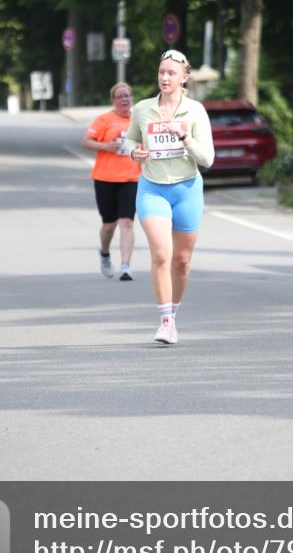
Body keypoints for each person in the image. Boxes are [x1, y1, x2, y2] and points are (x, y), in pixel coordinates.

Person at [124, 49, 214, 345]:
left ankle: (173, 314)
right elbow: (129, 141)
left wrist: (185, 137)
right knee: (161, 254)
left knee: (182, 261)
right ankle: (165, 323)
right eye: (161, 72)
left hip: (187, 189)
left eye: (171, 73)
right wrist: (133, 152)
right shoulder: (142, 108)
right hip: (152, 188)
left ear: (184, 77)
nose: (164, 78)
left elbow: (208, 158)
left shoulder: (195, 111)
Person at [82, 83, 141, 281]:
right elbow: (86, 142)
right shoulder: (104, 120)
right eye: (120, 96)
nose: (125, 99)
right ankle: (105, 254)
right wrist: (106, 146)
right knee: (109, 225)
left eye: (128, 95)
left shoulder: (138, 121)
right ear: (113, 100)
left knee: (126, 222)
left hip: (131, 179)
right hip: (105, 178)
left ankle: (126, 266)